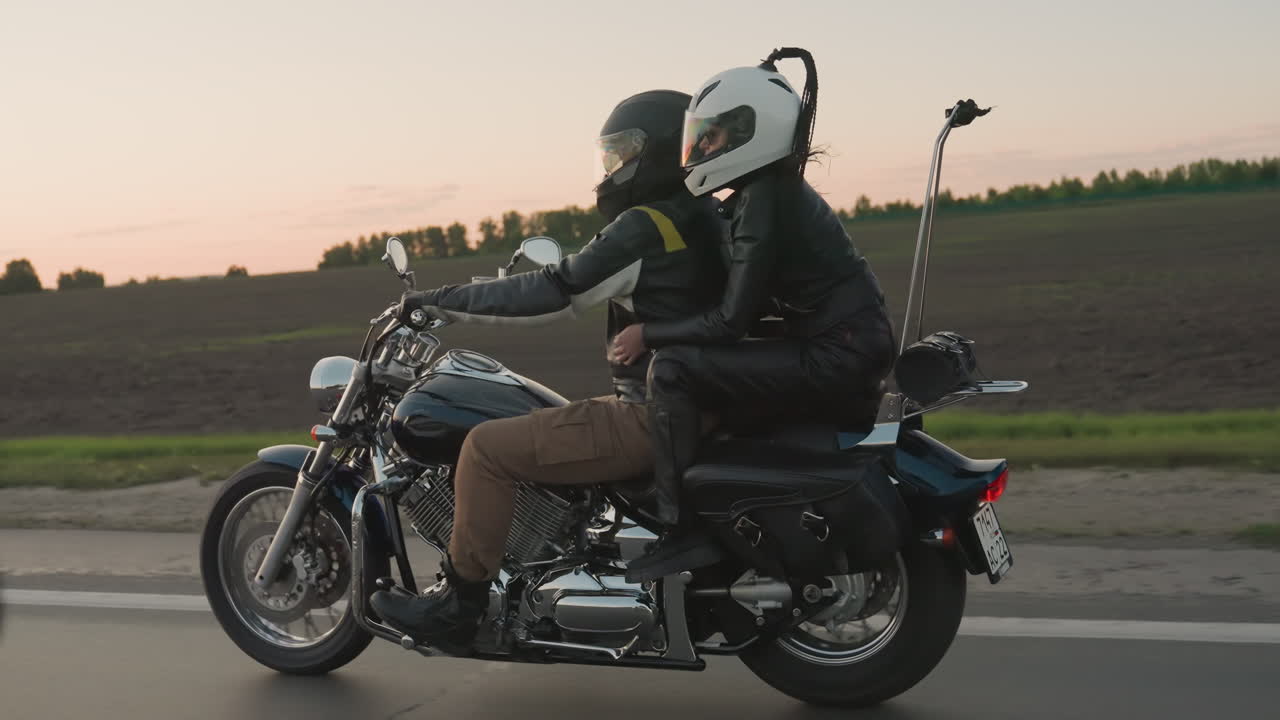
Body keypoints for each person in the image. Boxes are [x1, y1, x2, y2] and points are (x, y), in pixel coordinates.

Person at [368, 89, 727, 652]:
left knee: (485, 449)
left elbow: (556, 290)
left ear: (654, 153)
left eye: (622, 153)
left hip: (655, 415)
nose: (612, 168)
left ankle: (457, 608)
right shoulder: (701, 216)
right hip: (693, 402)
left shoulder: (649, 226)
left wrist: (440, 301)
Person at [612, 49, 897, 580]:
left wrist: (648, 332)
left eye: (714, 136)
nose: (701, 148)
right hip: (851, 342)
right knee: (714, 369)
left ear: (753, 132)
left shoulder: (762, 201)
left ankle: (678, 528)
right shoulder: (768, 191)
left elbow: (729, 321)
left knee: (672, 370)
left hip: (836, 355)